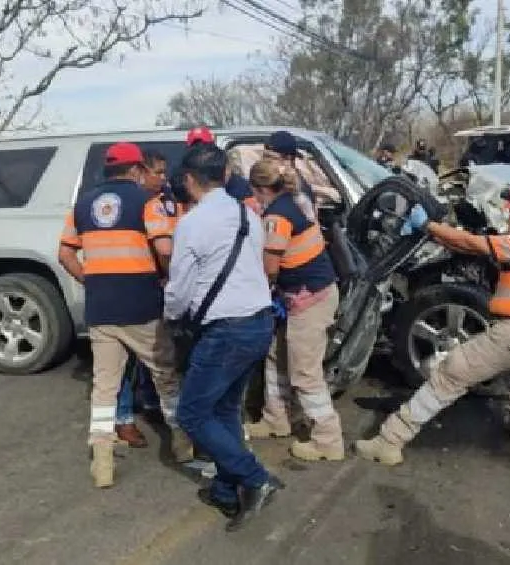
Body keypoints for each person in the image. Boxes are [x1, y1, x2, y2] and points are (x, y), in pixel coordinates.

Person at [356, 182, 510, 466]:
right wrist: (442, 234)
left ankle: (390, 440)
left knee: (451, 373)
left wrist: (428, 226)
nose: (508, 219)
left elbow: (473, 245)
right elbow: (473, 247)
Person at [58, 142, 192, 488]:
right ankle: (181, 442)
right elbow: (164, 248)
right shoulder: (147, 203)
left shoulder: (82, 206)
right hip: (142, 305)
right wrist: (167, 277)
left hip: (101, 309)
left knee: (105, 385)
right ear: (136, 170)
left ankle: (102, 460)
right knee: (164, 373)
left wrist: (91, 281)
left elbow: (65, 255)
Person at [166, 143, 282, 532]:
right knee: (225, 409)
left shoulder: (192, 224)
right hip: (259, 321)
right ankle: (226, 490)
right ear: (226, 175)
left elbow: (180, 291)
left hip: (226, 330)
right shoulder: (249, 215)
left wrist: (169, 317)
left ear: (188, 181)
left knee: (192, 414)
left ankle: (255, 478)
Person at [243, 158, 344, 462]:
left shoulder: (276, 217)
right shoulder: (295, 201)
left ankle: (328, 439)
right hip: (308, 294)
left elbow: (270, 269)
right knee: (277, 355)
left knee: (304, 372)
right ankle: (277, 419)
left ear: (260, 189)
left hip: (308, 299)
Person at [114, 150, 170, 448]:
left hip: (148, 290)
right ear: (140, 172)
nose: (163, 178)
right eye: (157, 172)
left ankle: (149, 401)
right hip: (129, 293)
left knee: (152, 352)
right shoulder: (138, 205)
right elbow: (163, 249)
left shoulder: (160, 201)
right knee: (125, 358)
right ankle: (123, 418)